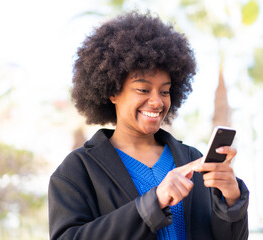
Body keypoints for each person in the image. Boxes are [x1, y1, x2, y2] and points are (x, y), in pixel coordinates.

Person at [48, 11, 249, 240]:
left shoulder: (194, 161)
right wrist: (152, 204)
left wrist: (232, 201)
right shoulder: (78, 170)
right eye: (143, 89)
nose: (157, 101)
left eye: (165, 91)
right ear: (113, 91)